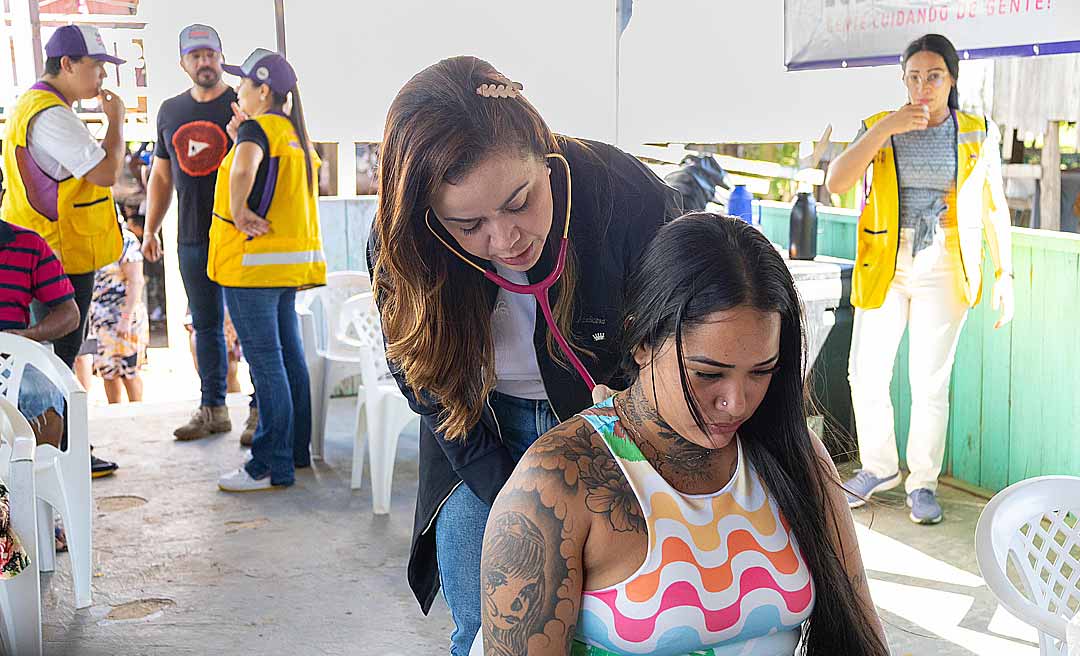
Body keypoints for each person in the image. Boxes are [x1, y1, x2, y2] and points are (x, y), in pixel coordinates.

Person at [369, 56, 681, 654]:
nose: (504, 239)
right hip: (477, 430)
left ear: (547, 156)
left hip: (613, 429)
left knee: (612, 623)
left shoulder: (625, 194)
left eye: (520, 201)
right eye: (469, 225)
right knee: (485, 628)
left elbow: (676, 333)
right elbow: (421, 374)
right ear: (430, 219)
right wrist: (504, 487)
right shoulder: (402, 238)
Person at [478, 213, 889, 656]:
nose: (736, 401)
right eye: (707, 373)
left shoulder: (793, 452)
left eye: (761, 372)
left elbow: (860, 628)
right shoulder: (559, 482)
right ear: (640, 340)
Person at [824, 34, 1014, 525]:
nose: (923, 87)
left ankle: (923, 482)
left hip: (947, 263)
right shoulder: (879, 126)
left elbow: (994, 208)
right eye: (913, 77)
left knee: (929, 381)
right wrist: (885, 128)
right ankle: (879, 468)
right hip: (887, 262)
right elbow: (838, 181)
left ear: (951, 79)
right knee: (866, 371)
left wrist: (1004, 273)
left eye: (933, 76)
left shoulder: (976, 131)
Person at [0, 24, 125, 477]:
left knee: (55, 366)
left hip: (57, 251)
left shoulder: (46, 107)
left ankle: (66, 453)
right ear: (67, 64)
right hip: (52, 255)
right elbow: (107, 172)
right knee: (50, 369)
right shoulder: (50, 115)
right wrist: (116, 121)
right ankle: (56, 463)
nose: (101, 79)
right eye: (95, 67)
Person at [209, 48, 323, 492]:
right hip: (285, 270)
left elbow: (245, 171)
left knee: (267, 366)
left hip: (250, 267)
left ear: (262, 89)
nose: (238, 90)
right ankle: (294, 453)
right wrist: (245, 136)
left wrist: (237, 211)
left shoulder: (258, 130)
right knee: (290, 360)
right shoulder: (293, 134)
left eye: (243, 84)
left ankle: (268, 466)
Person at [142, 24, 258, 444]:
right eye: (196, 56)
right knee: (204, 325)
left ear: (220, 57)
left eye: (210, 54)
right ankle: (213, 409)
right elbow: (160, 173)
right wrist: (150, 227)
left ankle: (260, 409)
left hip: (241, 235)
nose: (204, 62)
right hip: (191, 235)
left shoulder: (241, 102)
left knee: (249, 325)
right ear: (183, 63)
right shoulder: (170, 111)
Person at [0, 218, 79, 452]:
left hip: (11, 356)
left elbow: (69, 314)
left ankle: (40, 480)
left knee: (43, 393)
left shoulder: (29, 244)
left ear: (1, 196)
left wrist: (28, 335)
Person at [88, 222, 148, 403]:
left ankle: (136, 415)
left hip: (124, 318)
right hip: (98, 321)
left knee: (129, 372)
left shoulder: (126, 239)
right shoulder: (89, 239)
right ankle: (114, 414)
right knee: (107, 371)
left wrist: (126, 318)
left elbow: (136, 281)